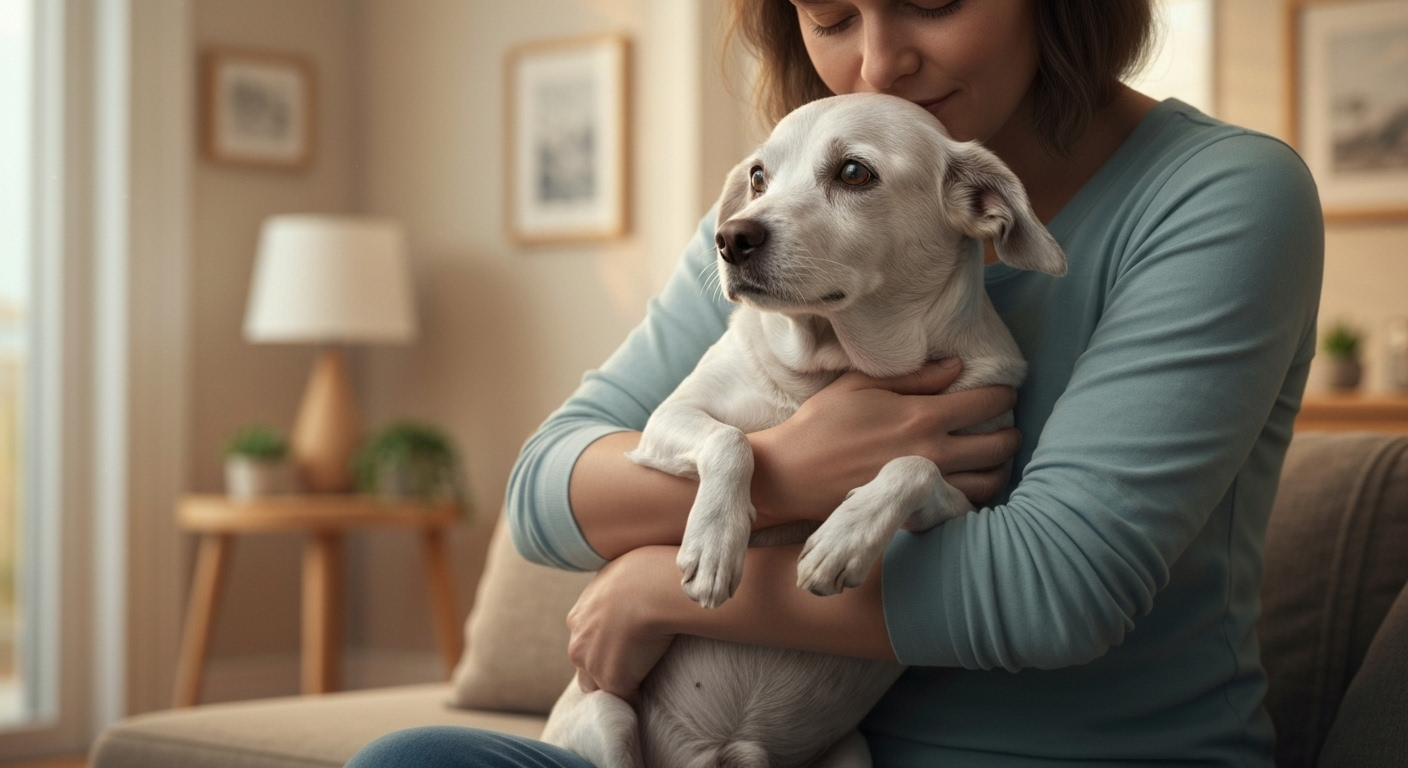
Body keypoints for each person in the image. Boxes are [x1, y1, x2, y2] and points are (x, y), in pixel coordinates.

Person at [348, 0, 1322, 765]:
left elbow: (1054, 591)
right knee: (410, 759)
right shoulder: (772, 219)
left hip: (1037, 755)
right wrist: (785, 468)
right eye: (829, 15)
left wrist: (654, 588)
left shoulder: (1220, 197)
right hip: (726, 738)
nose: (876, 62)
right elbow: (544, 494)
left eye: (932, 1)